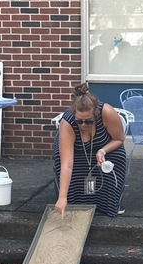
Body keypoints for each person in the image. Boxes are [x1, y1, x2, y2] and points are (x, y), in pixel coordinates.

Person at [53, 83, 127, 218]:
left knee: (117, 157)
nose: (83, 125)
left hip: (105, 147)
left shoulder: (107, 112)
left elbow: (119, 139)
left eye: (88, 121)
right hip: (76, 150)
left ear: (96, 114)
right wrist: (62, 197)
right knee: (62, 163)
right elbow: (67, 164)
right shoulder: (67, 123)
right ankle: (70, 201)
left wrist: (102, 151)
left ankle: (110, 202)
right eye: (79, 121)